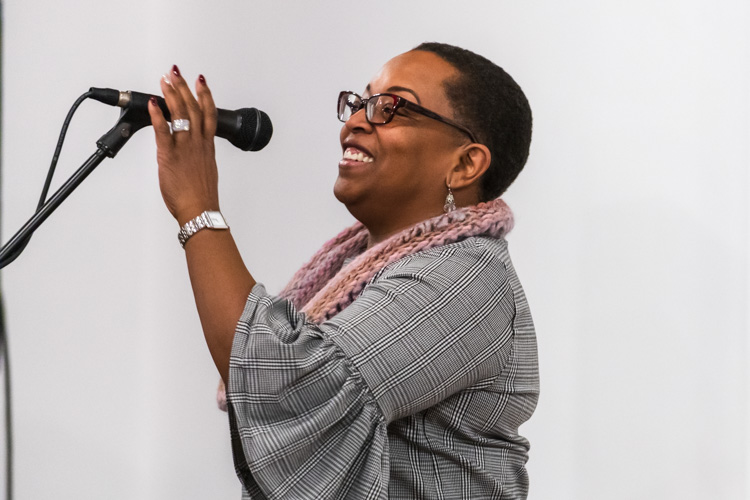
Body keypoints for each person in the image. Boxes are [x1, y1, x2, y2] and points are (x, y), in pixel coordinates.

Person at [148, 42, 539, 499]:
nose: (355, 121)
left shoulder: (466, 276)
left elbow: (293, 383)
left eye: (389, 107)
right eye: (359, 102)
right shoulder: (372, 268)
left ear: (465, 163)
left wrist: (198, 207)